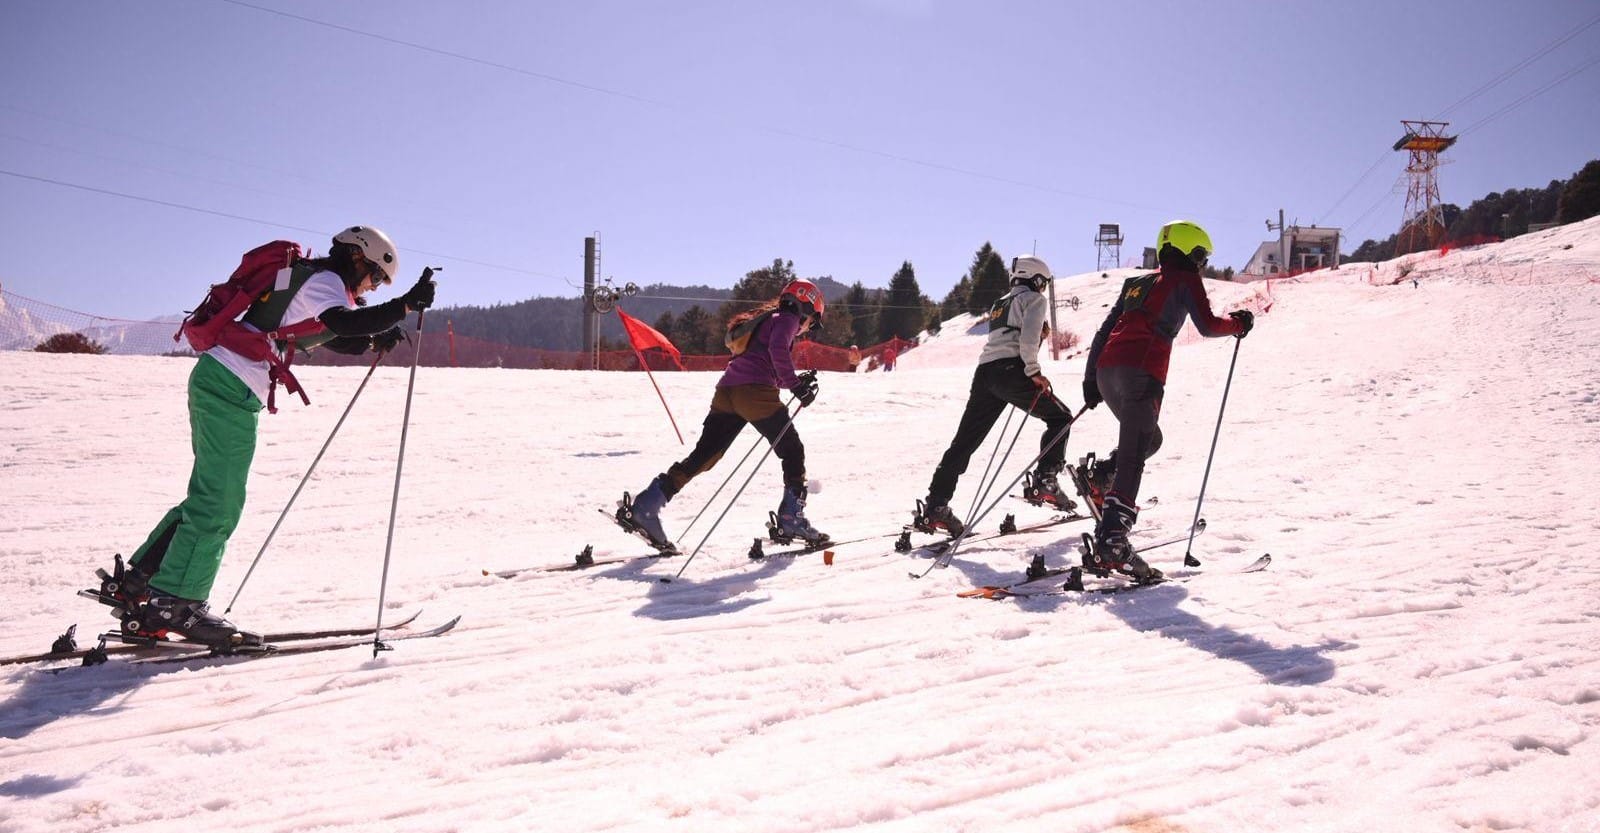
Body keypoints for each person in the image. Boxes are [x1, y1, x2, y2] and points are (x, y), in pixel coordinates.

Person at [91, 226, 436, 648]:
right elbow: (343, 323)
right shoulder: (327, 281)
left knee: (210, 494)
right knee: (219, 502)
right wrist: (404, 306)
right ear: (358, 256)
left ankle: (141, 584)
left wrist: (371, 340)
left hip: (223, 381)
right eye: (377, 276)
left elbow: (330, 332)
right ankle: (176, 605)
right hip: (230, 386)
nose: (374, 286)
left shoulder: (313, 280)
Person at [1080, 220, 1252, 581]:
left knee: (1149, 441)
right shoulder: (1185, 279)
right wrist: (1238, 324)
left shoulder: (1136, 283)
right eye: (1201, 255)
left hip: (1108, 372)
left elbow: (1105, 330)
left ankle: (1104, 476)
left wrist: (1091, 380)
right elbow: (1207, 325)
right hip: (1142, 373)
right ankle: (1113, 542)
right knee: (1135, 455)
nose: (1202, 263)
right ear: (1189, 251)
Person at [620, 279, 830, 550]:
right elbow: (777, 352)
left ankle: (647, 505)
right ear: (805, 308)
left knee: (705, 455)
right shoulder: (787, 318)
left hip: (727, 392)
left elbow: (764, 363)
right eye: (812, 322)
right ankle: (791, 518)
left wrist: (793, 381)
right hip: (754, 394)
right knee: (792, 451)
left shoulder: (765, 321)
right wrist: (796, 386)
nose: (807, 328)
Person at [915, 255, 1076, 537]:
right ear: (1036, 279)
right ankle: (1046, 479)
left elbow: (1008, 337)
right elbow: (1026, 341)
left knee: (964, 442)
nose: (1043, 288)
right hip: (1012, 371)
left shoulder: (1000, 303)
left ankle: (936, 504)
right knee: (1061, 418)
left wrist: (1036, 342)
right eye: (1043, 283)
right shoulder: (1035, 300)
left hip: (985, 373)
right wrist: (1034, 371)